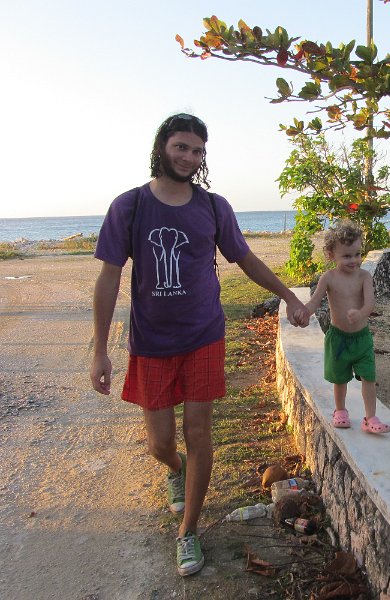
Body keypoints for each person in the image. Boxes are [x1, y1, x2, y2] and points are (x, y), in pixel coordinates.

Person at [89, 113, 308, 577]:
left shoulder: (213, 207)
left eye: (197, 151)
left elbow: (245, 259)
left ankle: (187, 530)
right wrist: (99, 349)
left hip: (204, 336)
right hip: (151, 342)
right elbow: (108, 278)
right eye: (181, 147)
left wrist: (288, 295)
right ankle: (175, 468)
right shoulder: (129, 206)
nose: (189, 157)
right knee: (160, 443)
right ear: (162, 148)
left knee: (200, 432)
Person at [304, 220, 390, 435]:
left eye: (357, 254)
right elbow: (315, 302)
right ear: (331, 255)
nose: (354, 260)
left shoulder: (364, 277)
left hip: (362, 339)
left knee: (369, 377)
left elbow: (370, 303)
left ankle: (370, 417)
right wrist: (304, 312)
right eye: (347, 256)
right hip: (338, 339)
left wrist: (361, 313)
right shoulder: (328, 278)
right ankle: (340, 411)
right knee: (340, 378)